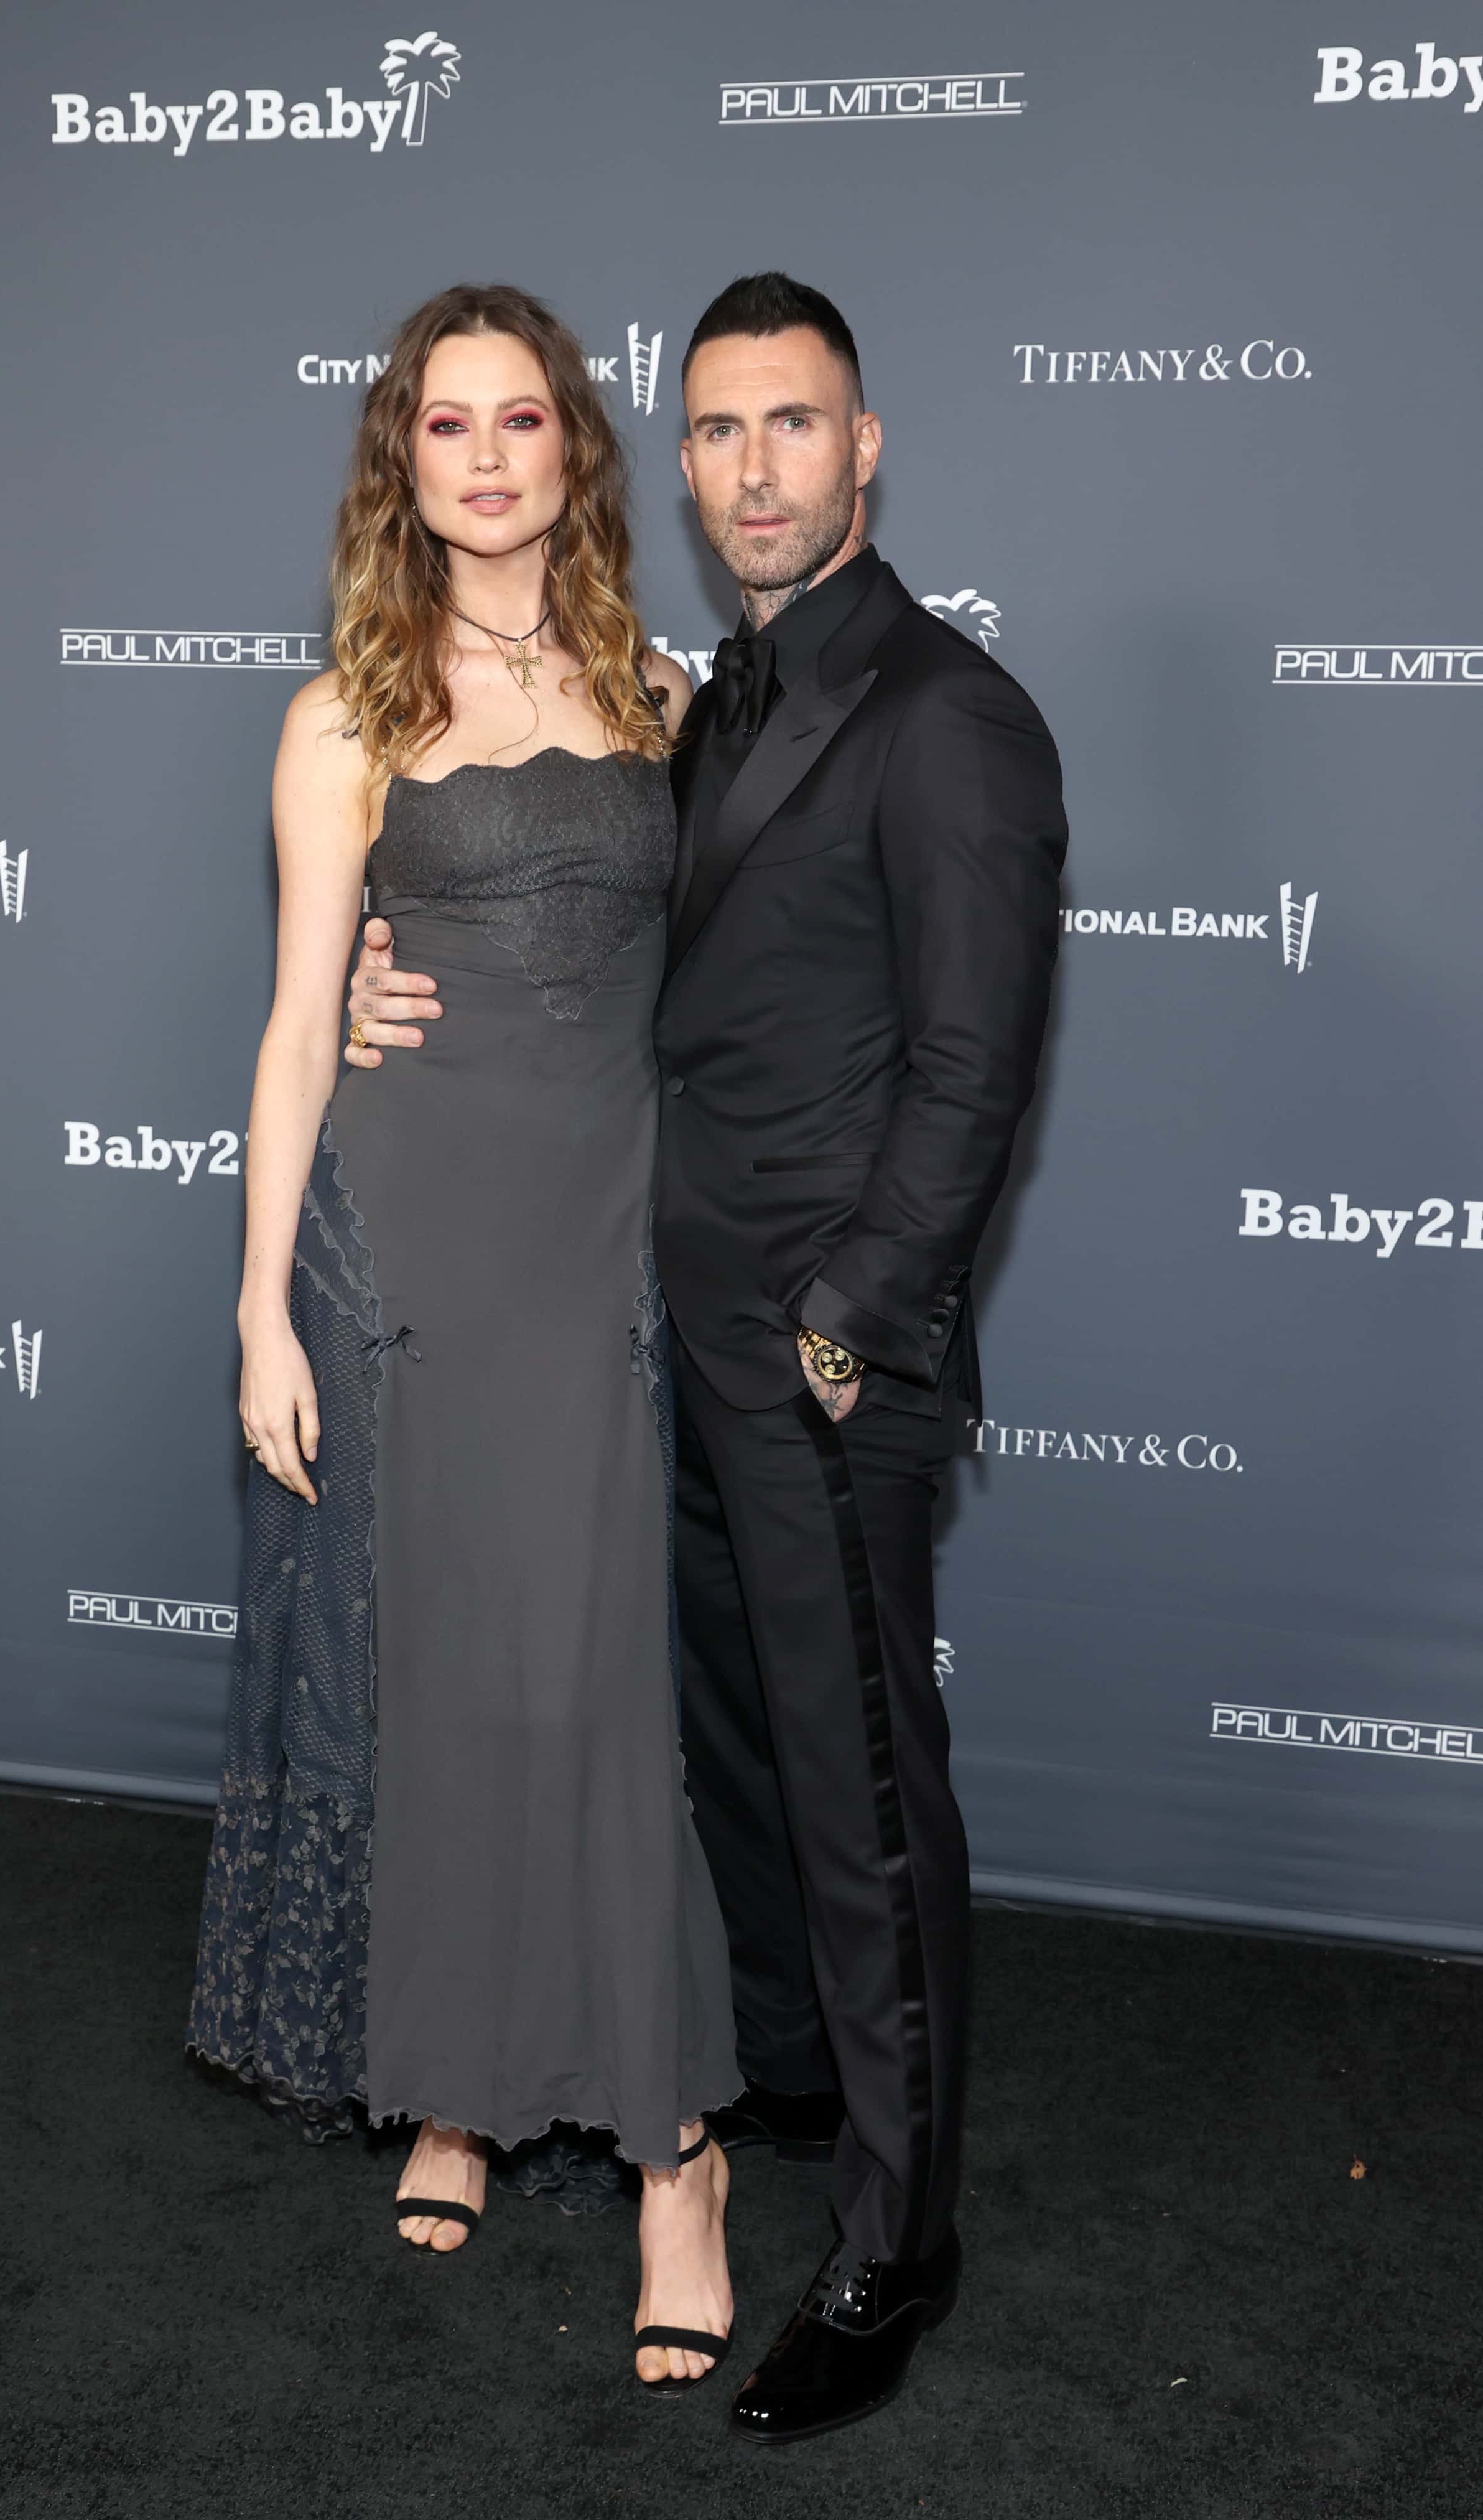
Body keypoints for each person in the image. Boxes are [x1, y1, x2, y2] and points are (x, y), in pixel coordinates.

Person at [345, 271, 1069, 2443]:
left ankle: (888, 2243)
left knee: (859, 1803)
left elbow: (972, 1071)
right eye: (721, 429)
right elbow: (584, 942)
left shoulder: (946, 715)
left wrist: (847, 1326)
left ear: (868, 448)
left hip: (812, 1356)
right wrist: (397, 973)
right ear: (682, 460)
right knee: (743, 1767)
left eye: (796, 426)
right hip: (653, 1328)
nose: (755, 466)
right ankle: (769, 2086)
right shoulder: (711, 695)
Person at [187, 282, 743, 2392]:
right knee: (437, 1679)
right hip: (404, 1247)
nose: (488, 456)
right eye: (447, 425)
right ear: (397, 460)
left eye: (523, 419)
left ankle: (676, 2154)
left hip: (606, 1240)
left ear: (570, 454)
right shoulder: (344, 709)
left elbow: (728, 993)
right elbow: (294, 1019)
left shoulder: (663, 691)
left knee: (594, 1684)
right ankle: (452, 2087)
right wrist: (261, 1309)